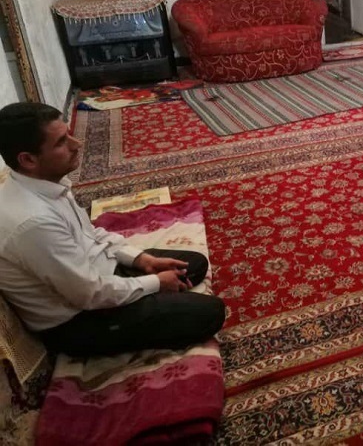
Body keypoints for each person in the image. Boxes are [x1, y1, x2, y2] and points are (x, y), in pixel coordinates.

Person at [0, 102, 225, 357]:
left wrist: (142, 260)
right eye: (62, 142)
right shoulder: (34, 224)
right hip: (81, 319)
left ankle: (150, 296)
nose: (76, 144)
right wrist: (155, 283)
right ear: (28, 159)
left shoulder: (47, 183)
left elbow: (90, 234)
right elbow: (89, 294)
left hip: (99, 274)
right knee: (211, 313)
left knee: (194, 264)